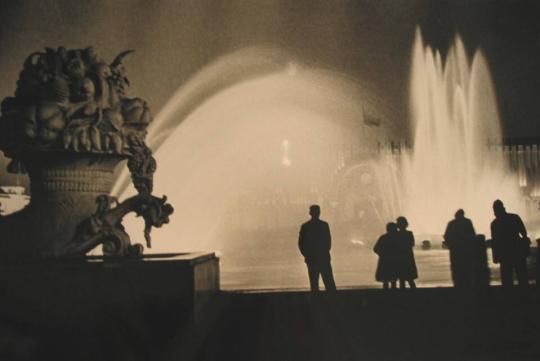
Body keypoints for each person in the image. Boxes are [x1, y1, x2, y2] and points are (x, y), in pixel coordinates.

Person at [490, 199, 529, 289]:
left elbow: (495, 242)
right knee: (522, 275)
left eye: (494, 210)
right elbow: (523, 233)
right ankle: (525, 297)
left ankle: (509, 299)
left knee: (507, 279)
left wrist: (495, 257)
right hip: (517, 251)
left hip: (504, 255)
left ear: (496, 210)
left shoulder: (495, 223)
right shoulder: (514, 217)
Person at [298, 205, 336, 292]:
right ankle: (333, 302)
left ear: (310, 213)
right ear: (319, 212)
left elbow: (301, 244)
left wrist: (307, 254)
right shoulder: (324, 225)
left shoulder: (305, 226)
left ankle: (316, 303)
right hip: (324, 258)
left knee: (314, 284)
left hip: (311, 259)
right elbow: (328, 242)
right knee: (329, 283)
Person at [443, 209, 476, 289]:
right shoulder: (467, 222)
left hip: (455, 251)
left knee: (456, 270)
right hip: (466, 251)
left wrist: (450, 245)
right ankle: (468, 287)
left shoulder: (451, 223)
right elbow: (472, 235)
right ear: (463, 214)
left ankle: (458, 287)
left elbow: (446, 236)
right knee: (467, 269)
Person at [373, 222, 400, 290]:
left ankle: (386, 295)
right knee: (393, 279)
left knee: (385, 279)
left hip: (384, 261)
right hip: (394, 261)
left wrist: (382, 254)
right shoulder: (397, 238)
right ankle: (394, 295)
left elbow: (375, 248)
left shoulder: (383, 237)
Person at [396, 216, 417, 289]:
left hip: (399, 257)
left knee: (402, 278)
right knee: (410, 277)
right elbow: (412, 244)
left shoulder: (396, 234)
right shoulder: (409, 233)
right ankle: (414, 293)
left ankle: (402, 294)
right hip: (408, 256)